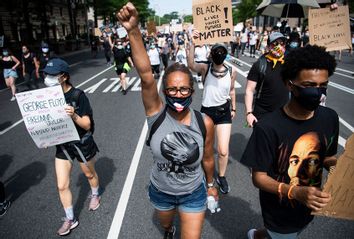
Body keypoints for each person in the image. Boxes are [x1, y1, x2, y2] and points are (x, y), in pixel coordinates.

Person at [117, 3, 218, 239]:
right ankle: (168, 229)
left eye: (184, 89)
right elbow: (145, 76)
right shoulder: (156, 115)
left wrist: (211, 184)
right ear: (164, 92)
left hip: (194, 192)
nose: (178, 94)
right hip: (161, 192)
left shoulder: (205, 123)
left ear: (193, 90)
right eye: (172, 89)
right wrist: (133, 30)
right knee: (165, 224)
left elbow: (209, 158)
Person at [241, 44, 338, 239]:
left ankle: (260, 236)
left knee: (295, 230)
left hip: (310, 204)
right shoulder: (268, 127)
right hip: (279, 210)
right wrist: (294, 192)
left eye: (323, 86)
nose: (318, 92)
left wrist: (338, 169)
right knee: (282, 234)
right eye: (309, 86)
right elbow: (258, 177)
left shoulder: (330, 117)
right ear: (289, 84)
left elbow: (327, 156)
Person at [42, 58, 101, 236]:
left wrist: (73, 115)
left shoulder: (77, 96)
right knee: (62, 185)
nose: (48, 78)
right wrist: (45, 137)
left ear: (64, 76)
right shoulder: (47, 98)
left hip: (81, 142)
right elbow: (47, 122)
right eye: (46, 74)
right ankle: (70, 218)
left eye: (52, 75)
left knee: (90, 174)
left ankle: (95, 193)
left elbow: (87, 125)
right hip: (63, 144)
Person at [188, 31, 237, 194]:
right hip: (207, 112)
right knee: (206, 149)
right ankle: (206, 175)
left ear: (226, 55)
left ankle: (221, 177)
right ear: (211, 54)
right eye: (216, 51)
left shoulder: (231, 71)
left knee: (223, 150)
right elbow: (190, 65)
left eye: (222, 51)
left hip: (223, 112)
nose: (219, 54)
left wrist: (234, 108)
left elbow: (232, 91)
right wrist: (192, 43)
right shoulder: (205, 68)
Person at [244, 32, 289, 127]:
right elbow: (249, 90)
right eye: (275, 44)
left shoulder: (289, 63)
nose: (279, 47)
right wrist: (249, 113)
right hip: (262, 114)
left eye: (282, 43)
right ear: (268, 46)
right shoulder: (259, 64)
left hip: (284, 113)